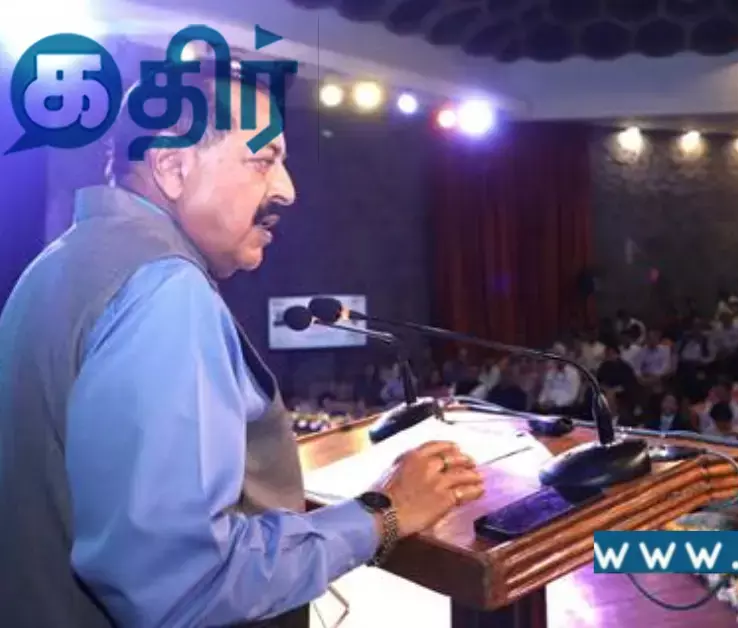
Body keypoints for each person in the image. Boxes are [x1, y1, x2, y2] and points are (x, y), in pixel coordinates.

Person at [0, 66, 486, 627]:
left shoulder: (60, 261)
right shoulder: (164, 290)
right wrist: (384, 514)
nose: (287, 189)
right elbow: (183, 585)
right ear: (173, 167)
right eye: (263, 160)